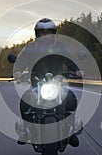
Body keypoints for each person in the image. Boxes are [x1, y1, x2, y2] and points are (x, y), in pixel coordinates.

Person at [14, 18, 81, 147]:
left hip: (58, 83)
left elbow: (69, 60)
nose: (45, 35)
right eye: (42, 33)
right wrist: (17, 72)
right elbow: (21, 61)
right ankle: (25, 132)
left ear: (54, 33)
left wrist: (77, 71)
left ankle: (70, 131)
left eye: (48, 32)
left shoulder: (60, 47)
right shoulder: (30, 47)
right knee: (25, 101)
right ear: (37, 34)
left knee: (71, 98)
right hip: (36, 84)